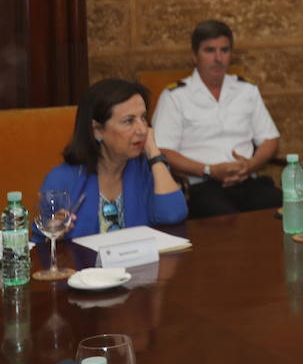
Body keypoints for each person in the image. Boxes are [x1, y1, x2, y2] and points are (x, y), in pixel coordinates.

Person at [153, 20, 281, 217]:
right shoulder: (175, 96)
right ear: (195, 56)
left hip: (246, 180)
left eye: (225, 50)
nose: (218, 58)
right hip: (201, 186)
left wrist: (250, 165)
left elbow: (271, 139)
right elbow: (163, 150)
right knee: (224, 218)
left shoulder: (246, 89)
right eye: (210, 50)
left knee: (284, 208)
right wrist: (209, 170)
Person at [37, 78, 187, 239]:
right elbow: (41, 241)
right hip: (84, 264)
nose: (143, 129)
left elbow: (173, 214)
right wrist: (55, 232)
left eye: (143, 118)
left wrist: (155, 155)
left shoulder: (147, 170)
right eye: (129, 121)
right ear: (97, 131)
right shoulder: (62, 179)